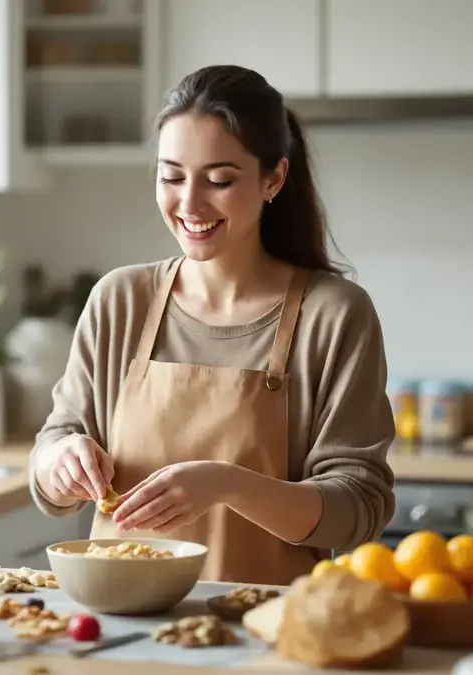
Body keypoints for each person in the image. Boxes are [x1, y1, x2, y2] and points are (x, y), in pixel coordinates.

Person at [28, 65, 396, 585]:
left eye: (220, 180)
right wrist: (61, 463)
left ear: (274, 179)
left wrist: (228, 486)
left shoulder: (334, 315)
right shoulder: (119, 300)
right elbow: (54, 452)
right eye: (171, 177)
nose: (190, 204)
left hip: (264, 634)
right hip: (119, 634)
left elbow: (359, 506)